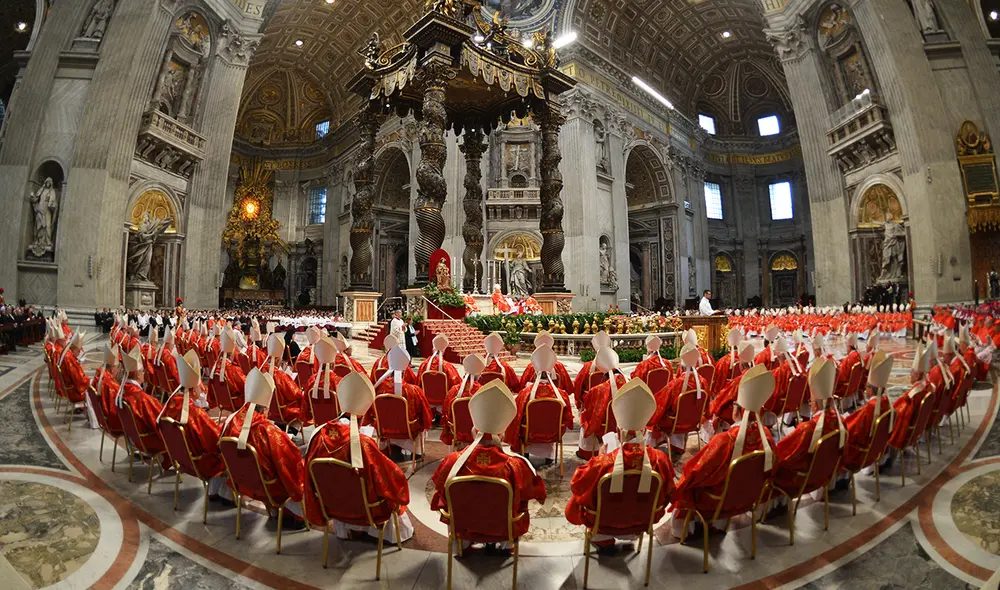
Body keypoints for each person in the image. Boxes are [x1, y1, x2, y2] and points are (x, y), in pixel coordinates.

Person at [431, 380, 546, 550]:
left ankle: (464, 541)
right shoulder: (516, 466)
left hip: (464, 526)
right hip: (503, 527)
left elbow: (440, 493)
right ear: (502, 431)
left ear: (475, 426)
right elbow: (535, 492)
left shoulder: (452, 461)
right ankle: (504, 546)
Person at [566, 379, 675, 554]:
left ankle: (602, 538)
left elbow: (577, 485)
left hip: (604, 520)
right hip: (643, 520)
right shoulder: (660, 460)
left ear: (617, 432)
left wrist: (601, 456)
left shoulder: (602, 463)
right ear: (645, 431)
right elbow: (670, 492)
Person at [303, 371, 413, 543]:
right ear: (362, 417)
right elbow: (391, 478)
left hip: (330, 505)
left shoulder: (317, 437)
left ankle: (347, 529)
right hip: (368, 509)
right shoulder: (364, 444)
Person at [670, 364, 776, 538]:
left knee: (688, 487)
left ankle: (691, 528)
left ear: (737, 409)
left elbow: (697, 471)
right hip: (749, 495)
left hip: (718, 499)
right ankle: (720, 524)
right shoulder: (766, 435)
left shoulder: (725, 440)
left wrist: (679, 484)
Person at [220, 368, 307, 530]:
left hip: (240, 481)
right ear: (265, 408)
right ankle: (293, 514)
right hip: (268, 486)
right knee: (299, 467)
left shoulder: (229, 420)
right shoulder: (268, 431)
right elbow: (289, 462)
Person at [157, 350, 232, 504]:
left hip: (182, 460)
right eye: (200, 386)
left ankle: (215, 489)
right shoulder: (195, 414)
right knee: (232, 447)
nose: (201, 388)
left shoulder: (171, 405)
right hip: (201, 463)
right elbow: (215, 439)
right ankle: (226, 493)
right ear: (193, 389)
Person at [772, 358, 847, 492]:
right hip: (826, 472)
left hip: (804, 479)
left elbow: (784, 456)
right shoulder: (840, 422)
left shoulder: (807, 429)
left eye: (811, 401)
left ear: (815, 405)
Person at [505, 344, 573, 461]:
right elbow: (568, 418)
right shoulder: (561, 395)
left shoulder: (525, 394)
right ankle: (549, 457)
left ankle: (525, 453)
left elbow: (516, 418)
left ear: (535, 373)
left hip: (529, 432)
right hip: (553, 433)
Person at [369, 346, 434, 459]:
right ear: (405, 373)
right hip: (408, 429)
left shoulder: (377, 390)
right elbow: (426, 415)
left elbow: (370, 413)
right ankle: (417, 453)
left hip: (384, 428)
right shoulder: (413, 390)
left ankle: (389, 446)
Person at [115, 347, 171, 469]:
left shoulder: (122, 391)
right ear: (138, 374)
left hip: (134, 439)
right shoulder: (142, 398)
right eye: (143, 372)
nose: (144, 374)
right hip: (148, 441)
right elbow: (160, 422)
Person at [651, 343, 709, 456]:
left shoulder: (676, 384)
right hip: (695, 422)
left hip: (675, 423)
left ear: (681, 367)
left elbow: (660, 402)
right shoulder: (703, 382)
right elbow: (707, 406)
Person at [843, 351, 894, 474]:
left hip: (862, 453)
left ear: (870, 391)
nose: (865, 389)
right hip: (878, 448)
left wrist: (843, 423)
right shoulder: (887, 403)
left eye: (866, 387)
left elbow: (854, 429)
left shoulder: (870, 409)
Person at [578, 347, 628, 458]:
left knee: (584, 417)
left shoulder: (599, 390)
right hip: (627, 425)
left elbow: (590, 410)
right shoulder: (630, 384)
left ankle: (587, 452)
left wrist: (579, 402)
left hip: (605, 426)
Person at [260, 333, 305, 427]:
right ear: (277, 360)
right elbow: (296, 395)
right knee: (304, 405)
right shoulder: (281, 376)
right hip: (282, 411)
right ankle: (292, 430)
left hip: (267, 409)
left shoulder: (261, 371)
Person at [440, 354, 486, 447]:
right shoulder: (484, 392)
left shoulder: (454, 391)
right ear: (480, 374)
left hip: (457, 431)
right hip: (479, 432)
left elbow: (445, 412)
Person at [571, 331, 612, 407]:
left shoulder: (588, 366)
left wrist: (579, 400)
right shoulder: (614, 367)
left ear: (595, 350)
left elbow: (578, 383)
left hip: (590, 400)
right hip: (609, 400)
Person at [92, 343, 123, 434]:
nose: (118, 371)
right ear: (113, 368)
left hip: (102, 419)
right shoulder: (111, 385)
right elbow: (117, 410)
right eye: (118, 368)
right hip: (112, 422)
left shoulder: (100, 374)